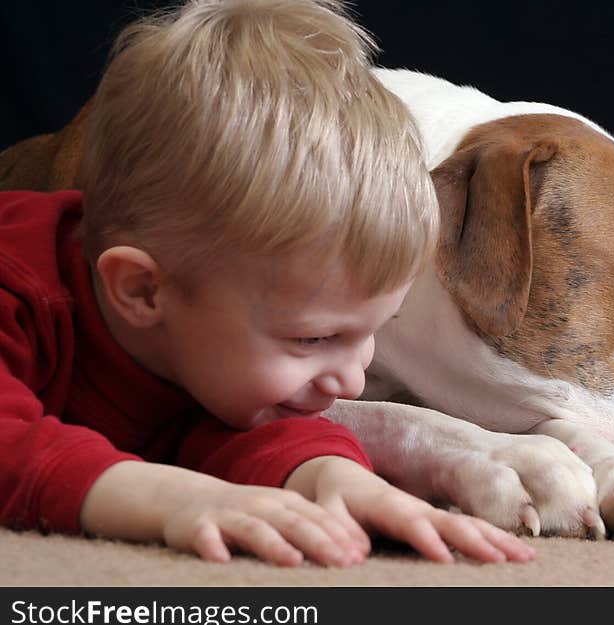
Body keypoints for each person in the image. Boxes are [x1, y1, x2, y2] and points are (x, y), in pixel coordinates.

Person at [0, 0, 534, 567]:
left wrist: (333, 475)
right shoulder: (21, 291)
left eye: (374, 330)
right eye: (313, 339)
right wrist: (171, 499)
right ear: (142, 291)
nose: (353, 383)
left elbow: (231, 431)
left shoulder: (203, 326)